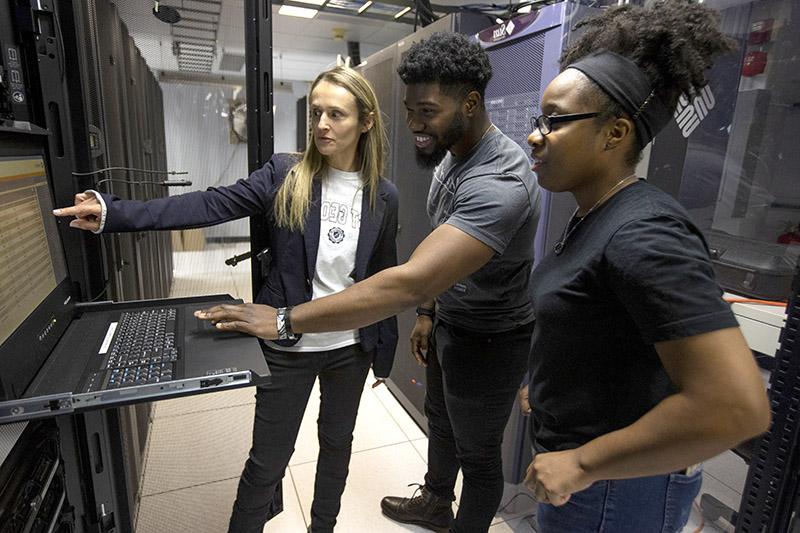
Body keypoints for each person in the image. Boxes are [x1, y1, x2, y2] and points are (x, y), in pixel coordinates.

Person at [192, 32, 541, 533]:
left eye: (427, 111)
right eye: (410, 110)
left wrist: (288, 319)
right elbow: (436, 269)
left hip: (490, 337)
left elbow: (404, 280)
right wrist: (428, 315)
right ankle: (436, 504)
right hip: (448, 322)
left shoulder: (494, 185)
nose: (415, 125)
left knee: (478, 454)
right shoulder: (450, 154)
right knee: (439, 427)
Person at [54, 66, 399, 533]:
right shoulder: (286, 174)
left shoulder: (383, 194)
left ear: (366, 121)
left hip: (350, 348)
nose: (321, 124)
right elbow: (210, 203)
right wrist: (115, 212)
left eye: (336, 114)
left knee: (337, 445)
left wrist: (384, 352)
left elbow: (383, 278)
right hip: (288, 344)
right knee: (267, 462)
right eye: (316, 112)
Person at [520, 1, 771, 531]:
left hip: (615, 492)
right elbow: (601, 326)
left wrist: (582, 462)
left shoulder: (645, 232)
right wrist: (548, 389)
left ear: (614, 134)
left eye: (554, 121)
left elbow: (735, 406)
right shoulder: (598, 212)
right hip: (597, 482)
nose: (535, 135)